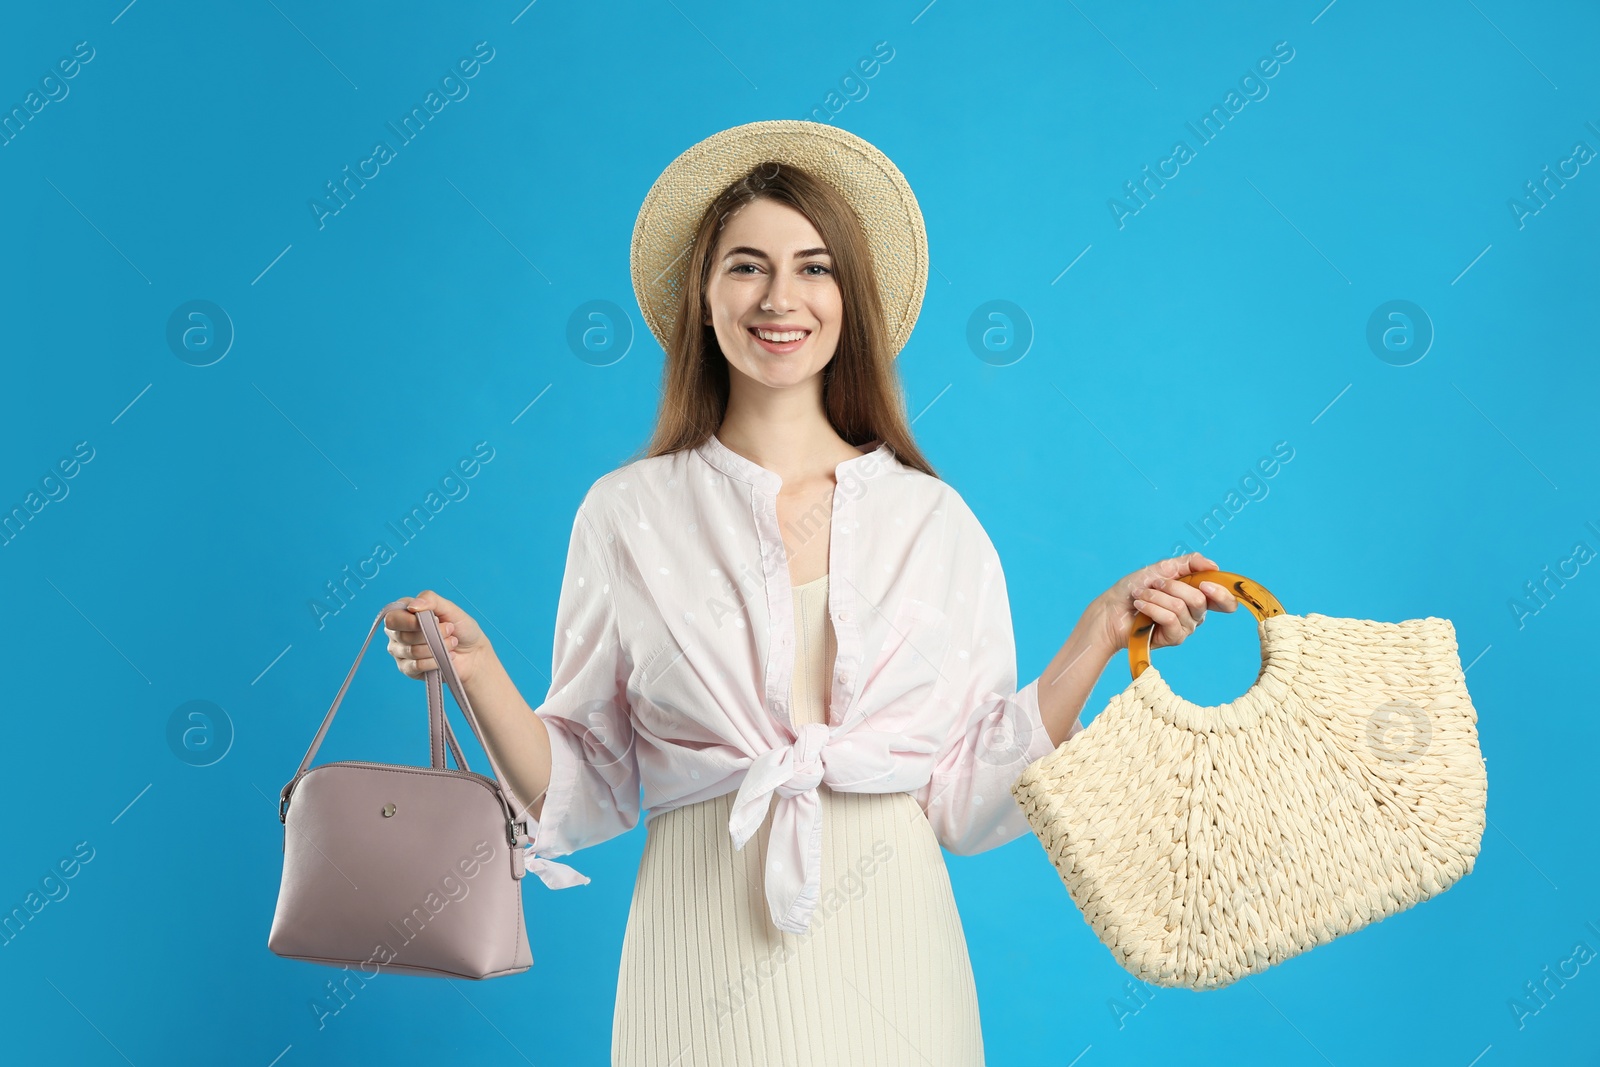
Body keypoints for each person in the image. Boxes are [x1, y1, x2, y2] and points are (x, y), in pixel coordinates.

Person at [381, 121, 1237, 1066]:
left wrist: (1097, 636)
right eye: (746, 267)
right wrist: (478, 671)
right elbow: (583, 787)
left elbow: (964, 801)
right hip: (696, 956)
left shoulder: (933, 520)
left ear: (850, 300)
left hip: (896, 958)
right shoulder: (626, 514)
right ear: (702, 300)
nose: (780, 298)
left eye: (815, 268)